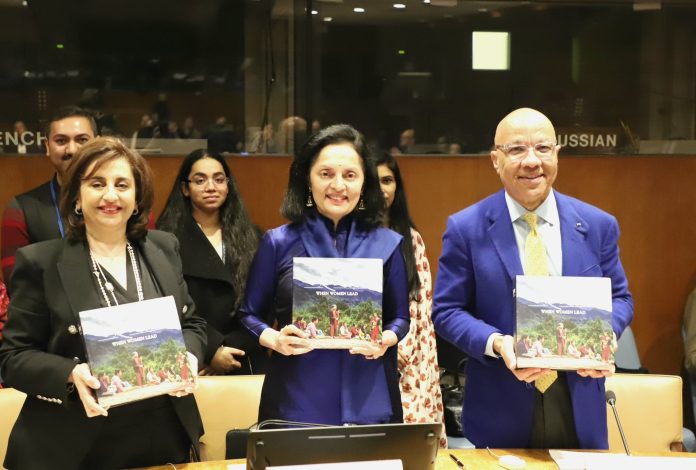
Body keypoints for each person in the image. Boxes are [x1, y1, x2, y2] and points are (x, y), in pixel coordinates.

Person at [0, 136, 207, 469]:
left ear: (137, 199)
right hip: (74, 445)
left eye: (122, 185)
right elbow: (13, 358)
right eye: (97, 184)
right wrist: (70, 373)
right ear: (77, 197)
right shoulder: (41, 262)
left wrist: (191, 357)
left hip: (163, 437)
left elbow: (193, 324)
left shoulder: (164, 249)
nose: (110, 195)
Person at [432, 108, 633, 450]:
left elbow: (621, 298)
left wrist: (604, 335)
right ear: (495, 160)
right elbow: (447, 311)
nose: (531, 161)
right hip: (501, 402)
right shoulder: (466, 228)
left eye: (542, 148)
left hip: (578, 401)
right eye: (516, 150)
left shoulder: (597, 225)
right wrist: (498, 343)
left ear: (557, 154)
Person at [239, 124, 410, 426]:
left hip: (369, 397)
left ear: (364, 182)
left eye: (350, 175)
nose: (338, 185)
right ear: (308, 178)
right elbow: (249, 315)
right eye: (326, 174)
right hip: (295, 397)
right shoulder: (278, 242)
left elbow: (400, 318)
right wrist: (275, 339)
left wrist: (386, 338)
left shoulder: (387, 243)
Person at [157, 149, 265, 375]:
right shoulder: (164, 240)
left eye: (218, 179)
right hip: (195, 356)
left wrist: (232, 348)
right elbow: (167, 304)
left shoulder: (253, 236)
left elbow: (265, 300)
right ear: (185, 188)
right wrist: (212, 350)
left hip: (245, 355)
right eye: (200, 180)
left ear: (228, 185)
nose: (211, 187)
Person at [375, 151, 447, 447]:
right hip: (364, 349)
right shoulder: (348, 236)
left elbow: (421, 300)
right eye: (374, 181)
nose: (382, 189)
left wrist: (400, 345)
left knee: (411, 442)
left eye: (388, 180)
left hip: (409, 352)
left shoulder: (411, 238)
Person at [1, 106, 97, 281]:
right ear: (47, 146)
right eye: (61, 141)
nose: (72, 150)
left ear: (98, 144)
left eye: (82, 140)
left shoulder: (124, 203)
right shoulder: (20, 210)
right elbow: (17, 284)